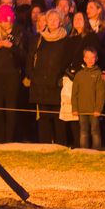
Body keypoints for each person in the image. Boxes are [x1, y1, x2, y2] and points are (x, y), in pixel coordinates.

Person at [27, 10, 70, 144]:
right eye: (49, 19)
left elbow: (67, 61)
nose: (52, 22)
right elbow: (30, 59)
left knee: (59, 119)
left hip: (56, 85)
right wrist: (32, 76)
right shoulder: (39, 39)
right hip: (40, 85)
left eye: (55, 19)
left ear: (60, 22)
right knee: (43, 119)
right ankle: (44, 145)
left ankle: (60, 145)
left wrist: (60, 79)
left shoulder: (65, 40)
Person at [0, 5, 24, 143]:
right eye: (3, 21)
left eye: (9, 21)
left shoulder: (18, 33)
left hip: (12, 74)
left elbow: (22, 55)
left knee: (11, 108)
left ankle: (10, 139)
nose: (6, 23)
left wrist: (11, 47)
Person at [71, 47, 105, 150]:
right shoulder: (79, 74)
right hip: (82, 110)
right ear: (84, 59)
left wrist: (98, 109)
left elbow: (101, 93)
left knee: (95, 131)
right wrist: (74, 108)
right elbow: (74, 93)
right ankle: (84, 151)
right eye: (88, 57)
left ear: (96, 58)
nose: (90, 60)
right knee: (83, 131)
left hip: (94, 110)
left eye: (92, 57)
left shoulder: (98, 74)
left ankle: (96, 151)